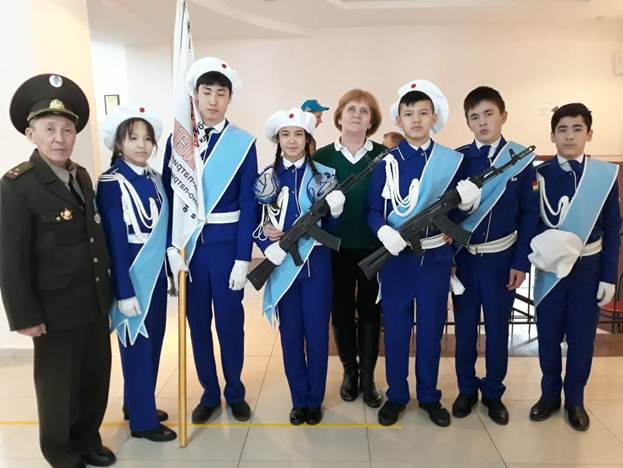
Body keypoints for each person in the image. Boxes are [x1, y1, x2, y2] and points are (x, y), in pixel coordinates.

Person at [0, 74, 115, 467]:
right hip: (53, 310)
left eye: (67, 130)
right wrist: (24, 316)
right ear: (30, 134)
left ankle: (87, 440)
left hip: (93, 301)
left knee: (94, 379)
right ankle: (60, 453)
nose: (59, 138)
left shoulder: (80, 176)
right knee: (57, 388)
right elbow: (11, 257)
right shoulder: (18, 185)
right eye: (49, 129)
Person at [367, 79, 481, 427]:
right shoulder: (387, 161)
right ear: (398, 120)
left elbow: (458, 212)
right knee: (396, 330)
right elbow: (373, 210)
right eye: (408, 113)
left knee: (431, 330)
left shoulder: (452, 161)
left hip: (435, 259)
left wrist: (468, 205)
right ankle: (397, 395)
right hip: (396, 260)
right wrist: (384, 231)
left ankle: (429, 396)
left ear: (434, 118)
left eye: (422, 113)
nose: (415, 119)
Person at [163, 57, 258, 423]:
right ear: (196, 96)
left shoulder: (243, 143)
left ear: (230, 98)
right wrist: (172, 247)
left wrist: (243, 258)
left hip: (226, 248)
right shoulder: (178, 142)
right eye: (207, 92)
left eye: (221, 93)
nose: (214, 100)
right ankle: (209, 392)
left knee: (231, 325)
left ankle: (235, 391)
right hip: (191, 250)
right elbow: (170, 198)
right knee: (197, 324)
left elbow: (249, 204)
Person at [528, 103, 620, 431]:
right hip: (551, 270)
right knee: (548, 336)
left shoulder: (603, 176)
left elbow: (613, 228)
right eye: (562, 129)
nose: (569, 136)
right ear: (552, 135)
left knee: (582, 339)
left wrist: (608, 275)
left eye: (577, 129)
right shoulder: (539, 175)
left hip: (589, 269)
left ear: (589, 134)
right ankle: (549, 395)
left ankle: (575, 400)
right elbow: (531, 222)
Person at [451, 86, 539, 425]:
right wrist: (450, 258)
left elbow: (529, 215)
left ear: (503, 115)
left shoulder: (520, 160)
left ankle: (493, 392)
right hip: (465, 259)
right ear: (468, 123)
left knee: (499, 330)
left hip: (502, 260)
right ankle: (466, 389)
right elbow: (447, 214)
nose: (482, 122)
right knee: (465, 330)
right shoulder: (459, 160)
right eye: (474, 117)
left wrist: (520, 262)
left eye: (488, 114)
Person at [253, 108, 345, 425]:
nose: (292, 140)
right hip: (282, 266)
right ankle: (299, 399)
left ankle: (315, 399)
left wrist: (336, 212)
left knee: (317, 335)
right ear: (278, 140)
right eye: (285, 134)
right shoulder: (266, 178)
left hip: (316, 264)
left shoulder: (325, 175)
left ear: (307, 139)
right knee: (291, 336)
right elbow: (256, 222)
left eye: (298, 134)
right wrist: (267, 244)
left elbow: (333, 227)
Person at [96, 104, 176, 442]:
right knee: (137, 347)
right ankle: (143, 423)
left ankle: (137, 403)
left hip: (156, 274)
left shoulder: (155, 178)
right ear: (118, 143)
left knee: (153, 341)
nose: (142, 145)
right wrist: (124, 290)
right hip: (132, 275)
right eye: (133, 138)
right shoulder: (111, 182)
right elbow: (114, 240)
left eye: (147, 139)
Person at [313, 89, 385, 408]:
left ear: (371, 121)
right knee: (341, 311)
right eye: (351, 109)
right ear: (339, 116)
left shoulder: (385, 156)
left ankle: (368, 377)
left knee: (370, 312)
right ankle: (349, 372)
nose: (357, 114)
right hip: (334, 249)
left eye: (364, 111)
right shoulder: (321, 158)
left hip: (374, 248)